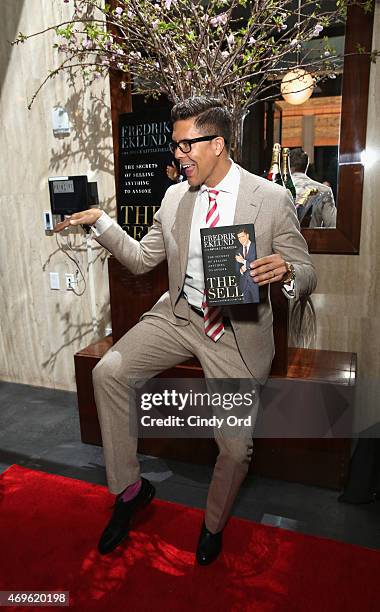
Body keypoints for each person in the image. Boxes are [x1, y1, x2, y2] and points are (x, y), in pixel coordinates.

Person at [55, 96, 317, 565]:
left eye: (185, 145)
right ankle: (130, 490)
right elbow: (140, 259)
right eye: (175, 146)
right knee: (108, 373)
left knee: (235, 451)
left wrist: (287, 272)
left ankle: (214, 523)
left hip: (235, 333)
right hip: (179, 316)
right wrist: (102, 222)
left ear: (217, 144)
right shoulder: (175, 196)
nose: (177, 155)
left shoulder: (271, 198)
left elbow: (306, 268)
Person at [289, 147, 337, 228]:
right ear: (306, 166)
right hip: (312, 240)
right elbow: (332, 225)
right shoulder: (324, 191)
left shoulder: (277, 188)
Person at [235, 228, 260, 304]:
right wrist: (241, 270)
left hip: (256, 285)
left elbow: (257, 264)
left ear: (247, 236)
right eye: (239, 238)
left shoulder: (256, 247)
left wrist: (243, 261)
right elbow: (236, 270)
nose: (241, 239)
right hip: (244, 285)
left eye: (242, 236)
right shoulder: (238, 251)